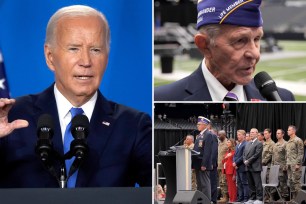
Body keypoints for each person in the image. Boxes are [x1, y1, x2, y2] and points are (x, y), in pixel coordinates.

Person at [0, 5, 151, 187]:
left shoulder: (133, 125)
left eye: (96, 50)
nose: (86, 62)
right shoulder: (12, 117)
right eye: (74, 49)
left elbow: (159, 188)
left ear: (107, 56)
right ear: (50, 57)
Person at [154, 0, 294, 101]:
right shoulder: (159, 99)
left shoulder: (283, 99)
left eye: (257, 39)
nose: (255, 54)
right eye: (240, 40)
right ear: (204, 46)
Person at [192, 116, 215, 202]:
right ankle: (201, 200)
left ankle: (207, 201)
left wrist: (204, 164)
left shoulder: (208, 134)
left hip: (203, 163)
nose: (197, 125)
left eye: (199, 124)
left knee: (205, 183)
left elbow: (207, 151)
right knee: (200, 184)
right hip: (198, 162)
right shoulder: (200, 134)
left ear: (205, 125)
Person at [243, 128, 263, 204]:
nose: (251, 134)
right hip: (248, 166)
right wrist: (244, 160)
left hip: (255, 166)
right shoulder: (248, 143)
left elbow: (256, 155)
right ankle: (252, 198)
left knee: (257, 183)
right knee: (250, 184)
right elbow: (244, 154)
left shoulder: (259, 143)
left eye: (253, 133)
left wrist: (248, 161)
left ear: (257, 133)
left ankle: (259, 198)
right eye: (251, 132)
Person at [286, 125, 304, 200]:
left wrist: (298, 164)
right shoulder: (289, 141)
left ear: (293, 131)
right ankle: (293, 199)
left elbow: (301, 153)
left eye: (289, 130)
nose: (287, 131)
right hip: (289, 165)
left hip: (295, 165)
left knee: (296, 183)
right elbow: (287, 154)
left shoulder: (298, 140)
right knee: (291, 183)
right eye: (288, 130)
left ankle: (300, 200)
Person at [272, 129, 289, 200]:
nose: (277, 134)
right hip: (275, 167)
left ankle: (285, 198)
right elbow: (273, 156)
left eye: (279, 133)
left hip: (282, 167)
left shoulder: (286, 144)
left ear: (283, 134)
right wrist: (272, 166)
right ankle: (279, 198)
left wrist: (286, 166)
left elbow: (288, 156)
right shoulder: (275, 144)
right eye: (276, 133)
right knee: (277, 183)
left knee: (283, 183)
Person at [233, 129, 249, 203]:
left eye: (239, 135)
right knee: (239, 183)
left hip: (242, 167)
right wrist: (234, 162)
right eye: (237, 135)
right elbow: (235, 155)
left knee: (244, 183)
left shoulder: (245, 144)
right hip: (237, 167)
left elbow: (243, 156)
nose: (238, 136)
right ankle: (240, 197)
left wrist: (236, 163)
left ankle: (246, 198)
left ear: (244, 136)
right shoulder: (237, 145)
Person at [222, 138, 237, 202]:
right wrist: (225, 157)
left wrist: (234, 174)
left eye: (228, 142)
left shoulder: (234, 152)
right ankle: (231, 198)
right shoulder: (228, 151)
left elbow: (235, 163)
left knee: (233, 186)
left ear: (232, 144)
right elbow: (223, 161)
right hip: (227, 170)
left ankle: (233, 199)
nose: (227, 143)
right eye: (227, 142)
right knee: (229, 186)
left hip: (232, 170)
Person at [217, 130, 229, 202]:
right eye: (218, 135)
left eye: (220, 135)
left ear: (224, 135)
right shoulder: (220, 143)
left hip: (224, 167)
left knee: (224, 181)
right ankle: (223, 195)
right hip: (219, 165)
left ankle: (226, 197)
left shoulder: (227, 143)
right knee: (220, 182)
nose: (218, 136)